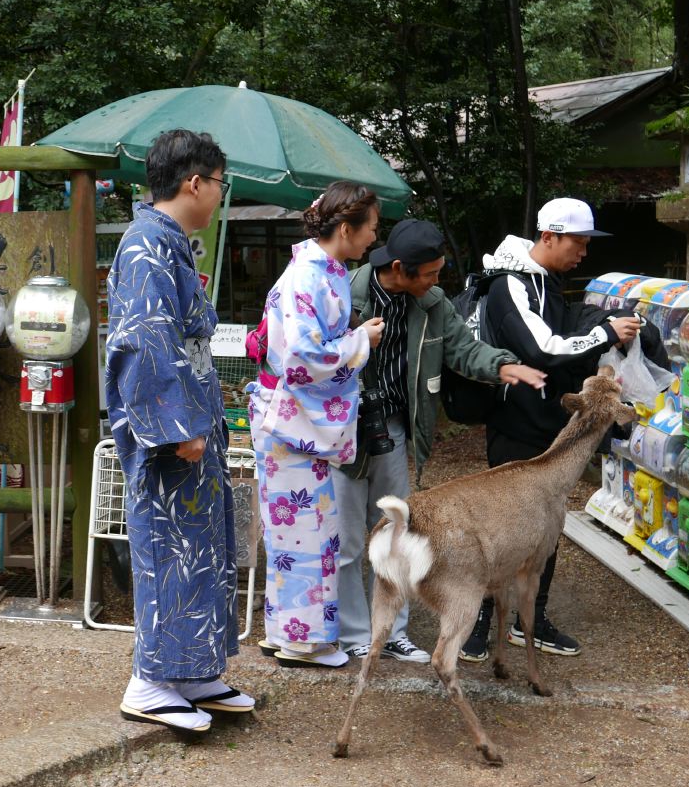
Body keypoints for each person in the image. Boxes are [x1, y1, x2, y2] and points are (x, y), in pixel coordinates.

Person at [334, 218, 547, 662]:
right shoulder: (345, 292)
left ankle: (393, 632)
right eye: (430, 273)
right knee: (349, 538)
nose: (436, 282)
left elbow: (464, 348)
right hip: (342, 429)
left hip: (393, 427)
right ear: (400, 267)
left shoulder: (431, 304)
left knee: (399, 532)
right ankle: (356, 633)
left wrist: (504, 366)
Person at [106, 129, 254, 732]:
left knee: (201, 549)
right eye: (220, 184)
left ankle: (192, 671)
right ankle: (150, 679)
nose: (221, 195)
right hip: (171, 432)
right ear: (195, 181)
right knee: (168, 550)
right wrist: (175, 428)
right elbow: (144, 340)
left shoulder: (168, 242)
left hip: (193, 423)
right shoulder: (146, 244)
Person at [460, 197, 641, 662]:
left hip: (552, 427)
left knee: (548, 526)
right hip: (513, 424)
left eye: (586, 244)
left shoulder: (548, 282)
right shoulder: (509, 286)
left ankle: (531, 618)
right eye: (577, 242)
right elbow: (541, 349)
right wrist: (606, 333)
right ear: (549, 237)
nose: (582, 252)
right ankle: (481, 618)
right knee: (502, 526)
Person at [248, 182, 385, 669]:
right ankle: (302, 641)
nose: (373, 237)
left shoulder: (321, 270)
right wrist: (359, 341)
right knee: (304, 533)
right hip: (293, 421)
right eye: (370, 228)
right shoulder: (309, 276)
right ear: (345, 229)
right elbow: (304, 357)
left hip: (291, 420)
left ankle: (288, 631)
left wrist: (350, 338)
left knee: (296, 534)